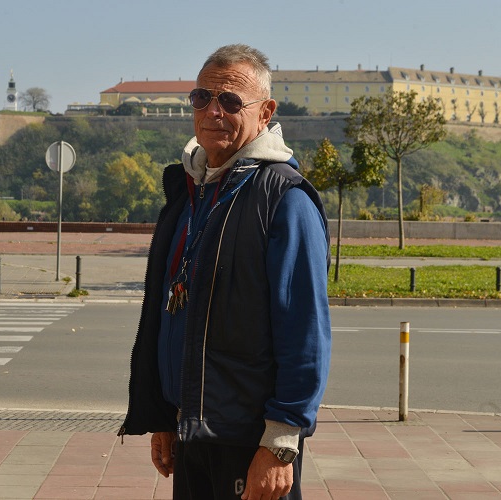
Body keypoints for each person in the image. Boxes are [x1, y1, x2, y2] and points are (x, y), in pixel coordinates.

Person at [119, 44, 331, 500]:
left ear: (265, 112)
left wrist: (280, 443)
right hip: (193, 431)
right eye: (202, 97)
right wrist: (166, 417)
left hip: (250, 439)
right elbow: (173, 315)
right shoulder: (190, 193)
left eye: (231, 101)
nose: (213, 112)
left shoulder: (284, 201)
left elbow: (305, 332)